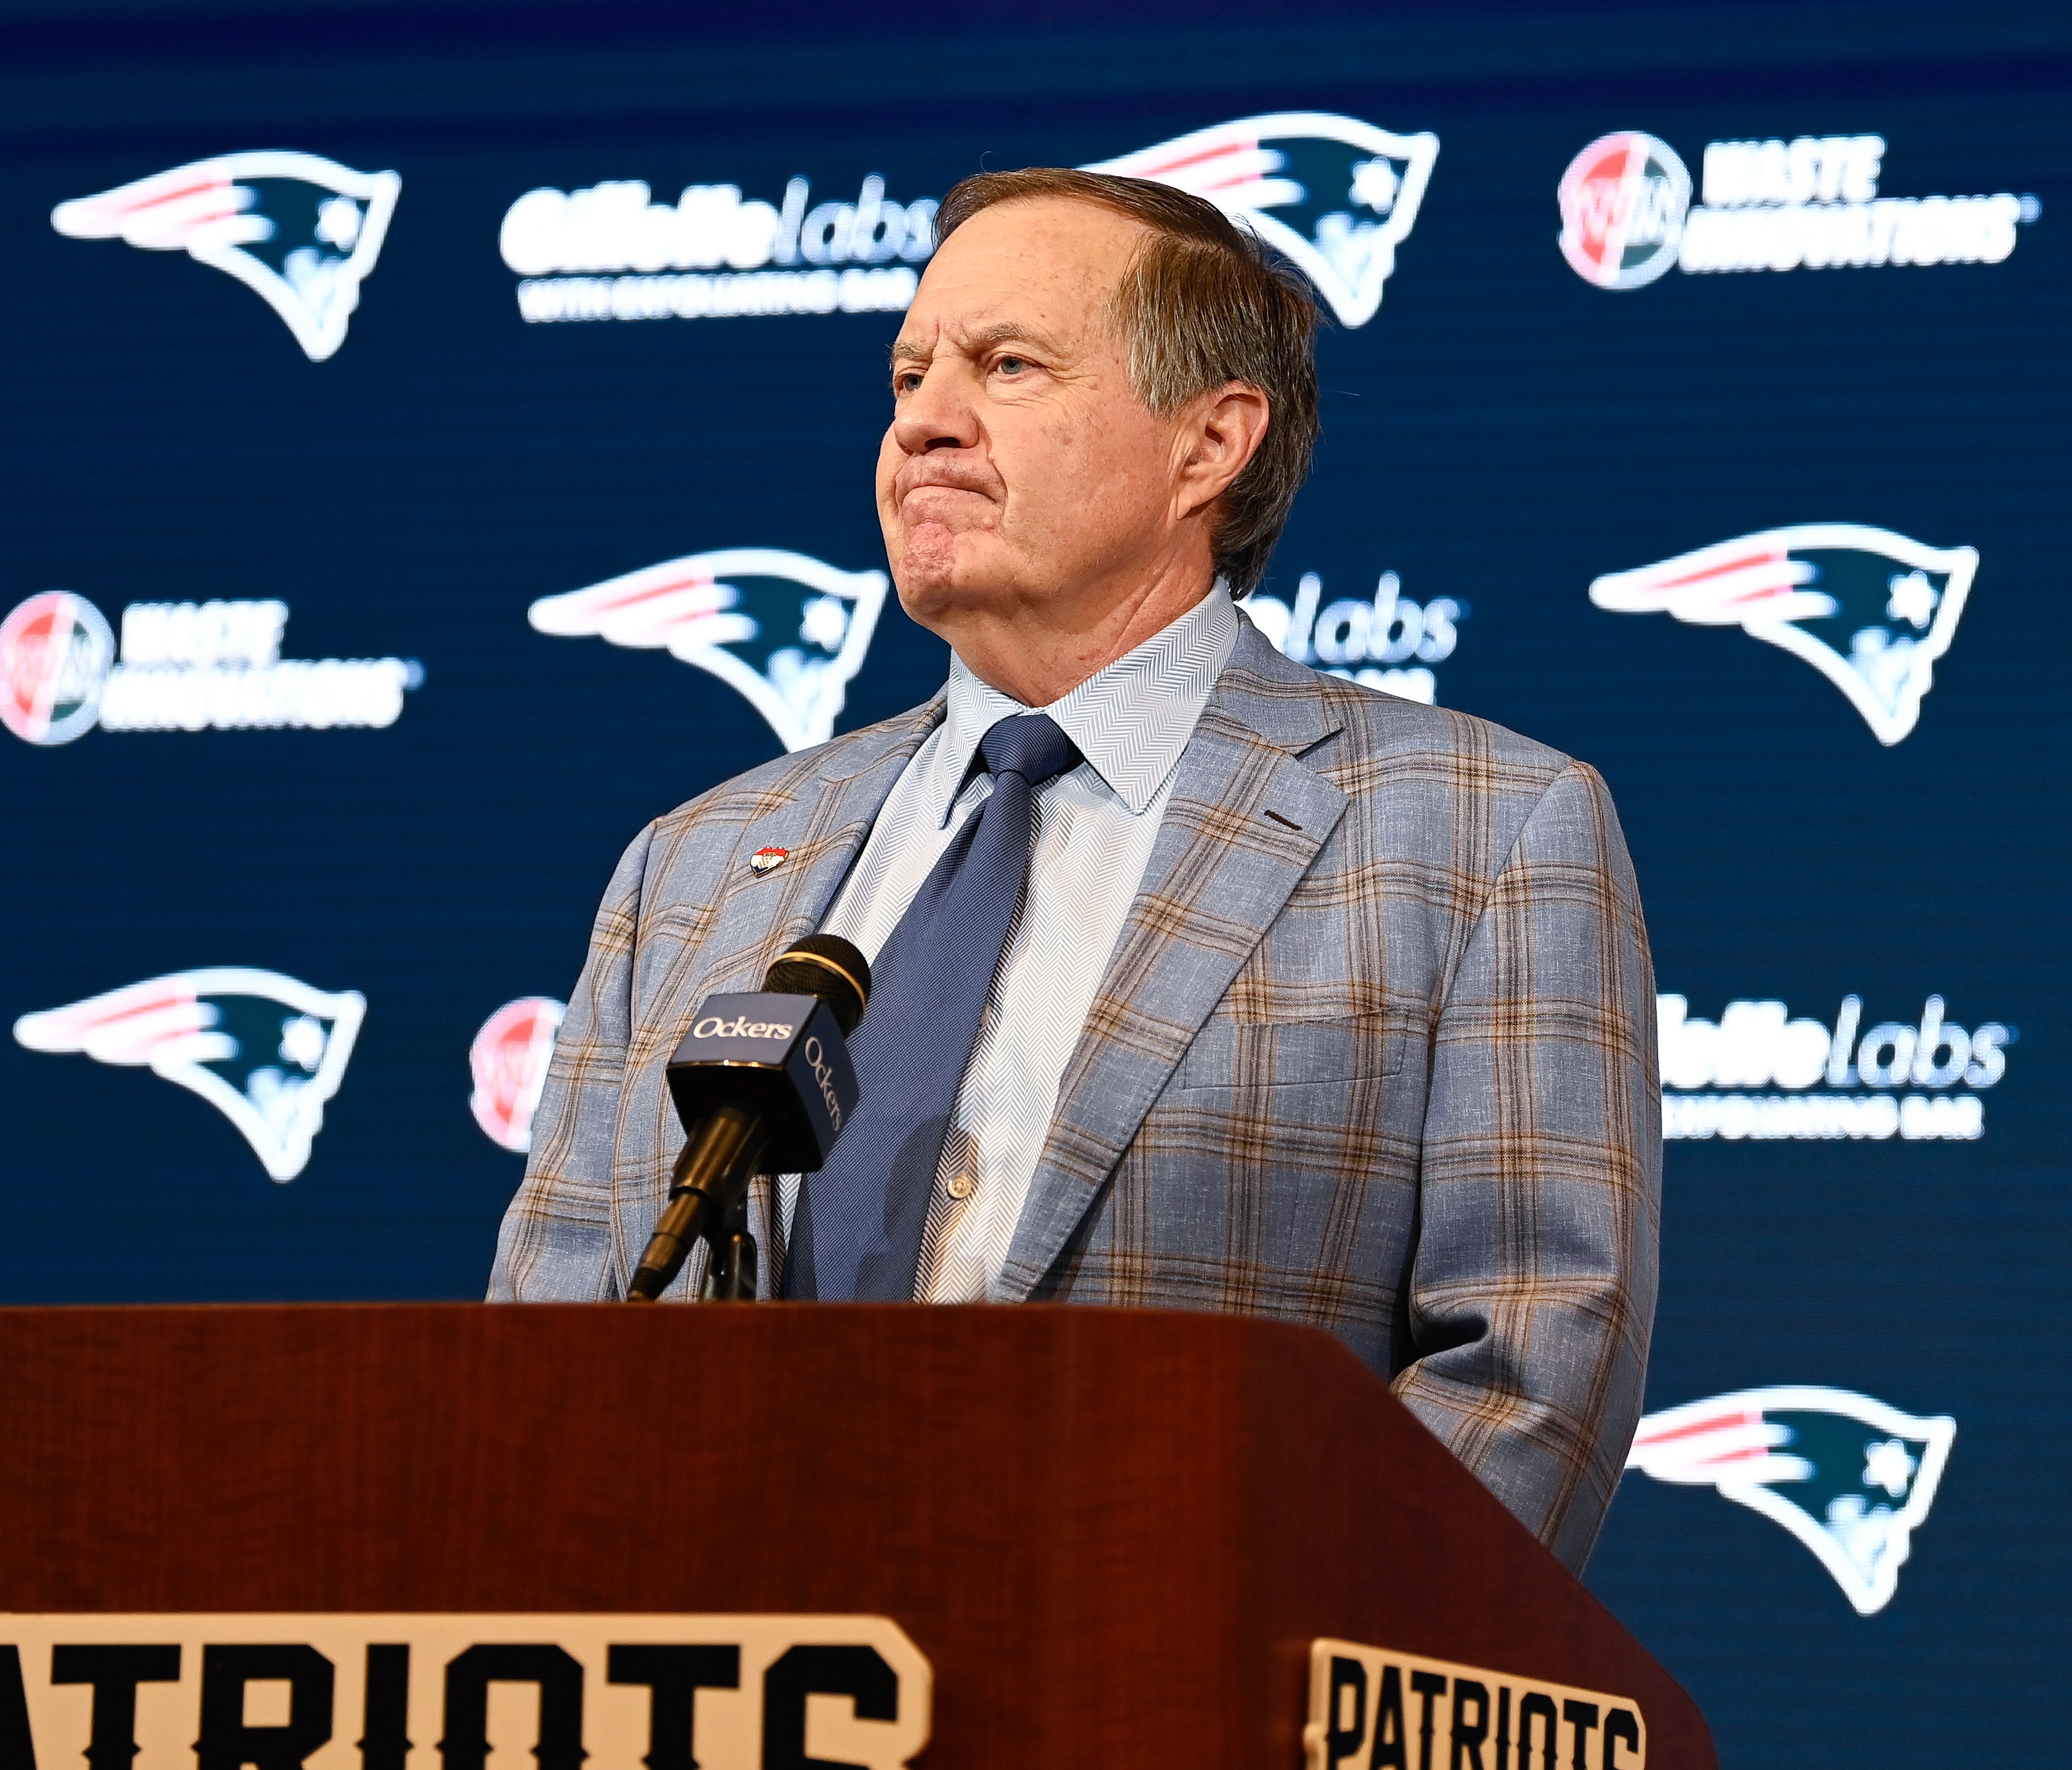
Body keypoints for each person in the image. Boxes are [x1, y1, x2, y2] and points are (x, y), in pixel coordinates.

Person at [488, 167, 1659, 1572]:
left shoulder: (1481, 831)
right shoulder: (692, 864)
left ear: (1207, 444)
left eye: (1007, 365)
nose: (922, 419)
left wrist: (1205, 1675)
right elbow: (543, 1360)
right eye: (909, 372)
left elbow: (1522, 1374)